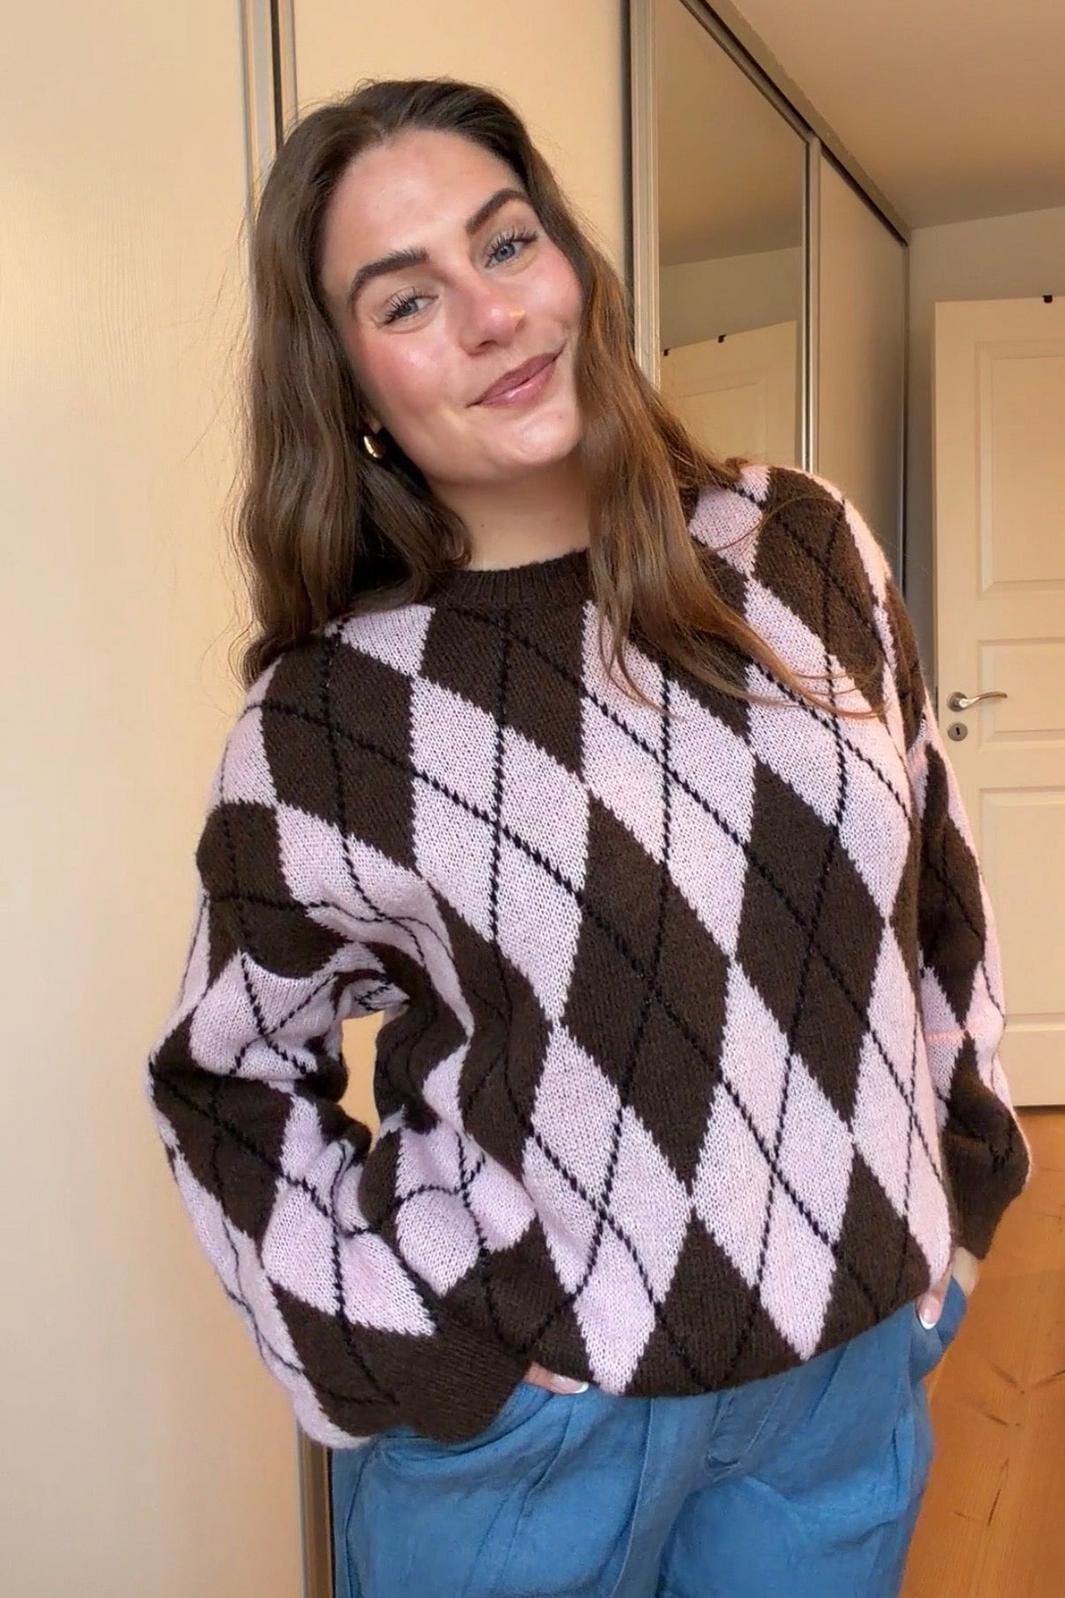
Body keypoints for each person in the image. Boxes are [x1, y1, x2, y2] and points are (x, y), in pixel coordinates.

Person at [143, 75, 1033, 1598]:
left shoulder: (801, 547)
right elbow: (221, 1080)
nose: (491, 316)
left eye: (505, 244)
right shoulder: (333, 720)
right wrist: (412, 1340)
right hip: (541, 1433)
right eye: (405, 298)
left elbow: (935, 892)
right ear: (348, 384)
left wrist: (955, 1194)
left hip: (842, 1382)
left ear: (570, 263)